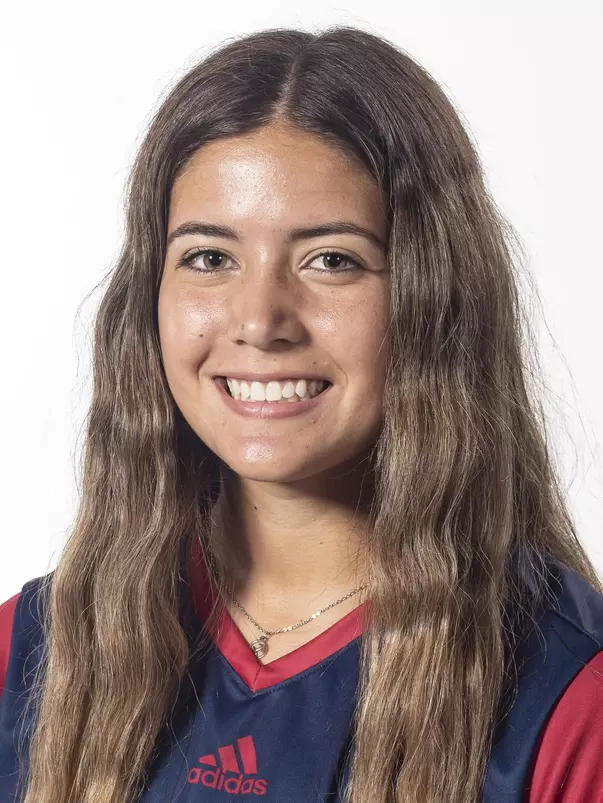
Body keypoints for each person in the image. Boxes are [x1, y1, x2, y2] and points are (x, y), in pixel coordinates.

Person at [1, 25, 602, 803]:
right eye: (209, 257)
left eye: (331, 260)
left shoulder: (568, 698)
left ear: (436, 298)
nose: (260, 320)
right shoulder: (29, 653)